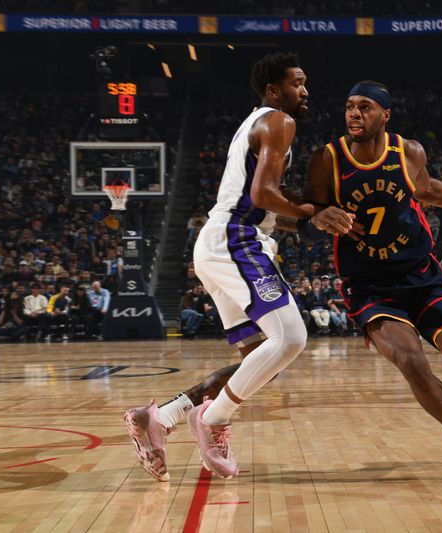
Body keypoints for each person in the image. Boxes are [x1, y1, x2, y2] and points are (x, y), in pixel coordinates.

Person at [123, 52, 352, 482]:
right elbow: (265, 194)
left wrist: (296, 222)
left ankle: (161, 417)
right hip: (236, 242)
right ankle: (211, 421)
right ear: (273, 90)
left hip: (222, 240)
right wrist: (310, 213)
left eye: (305, 83)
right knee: (292, 338)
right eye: (297, 83)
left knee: (258, 361)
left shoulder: (254, 123)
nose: (305, 91)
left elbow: (256, 202)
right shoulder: (280, 122)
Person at [302, 81, 442, 483]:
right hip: (368, 285)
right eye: (349, 106)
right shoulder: (326, 159)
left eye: (364, 107)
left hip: (420, 273)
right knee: (410, 361)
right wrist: (316, 220)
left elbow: (427, 189)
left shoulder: (408, 151)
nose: (353, 114)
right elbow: (307, 216)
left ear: (385, 115)